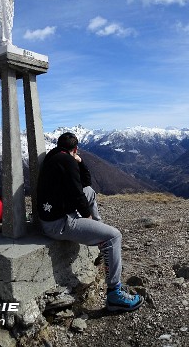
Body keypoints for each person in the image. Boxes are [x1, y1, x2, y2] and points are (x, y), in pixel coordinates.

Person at [36, 132, 143, 312]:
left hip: (52, 213)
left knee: (90, 192)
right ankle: (114, 294)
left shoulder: (53, 157)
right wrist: (87, 216)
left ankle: (98, 233)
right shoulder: (67, 161)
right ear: (75, 149)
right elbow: (78, 192)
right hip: (59, 223)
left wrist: (79, 161)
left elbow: (84, 185)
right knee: (114, 236)